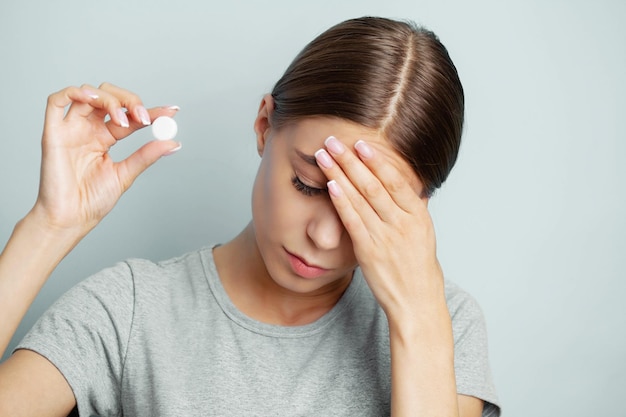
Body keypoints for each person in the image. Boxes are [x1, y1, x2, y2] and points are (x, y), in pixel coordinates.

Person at [0, 16, 500, 417]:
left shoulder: (444, 325)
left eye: (367, 208)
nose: (324, 236)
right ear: (264, 125)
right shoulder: (129, 312)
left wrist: (416, 320)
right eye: (307, 184)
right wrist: (48, 226)